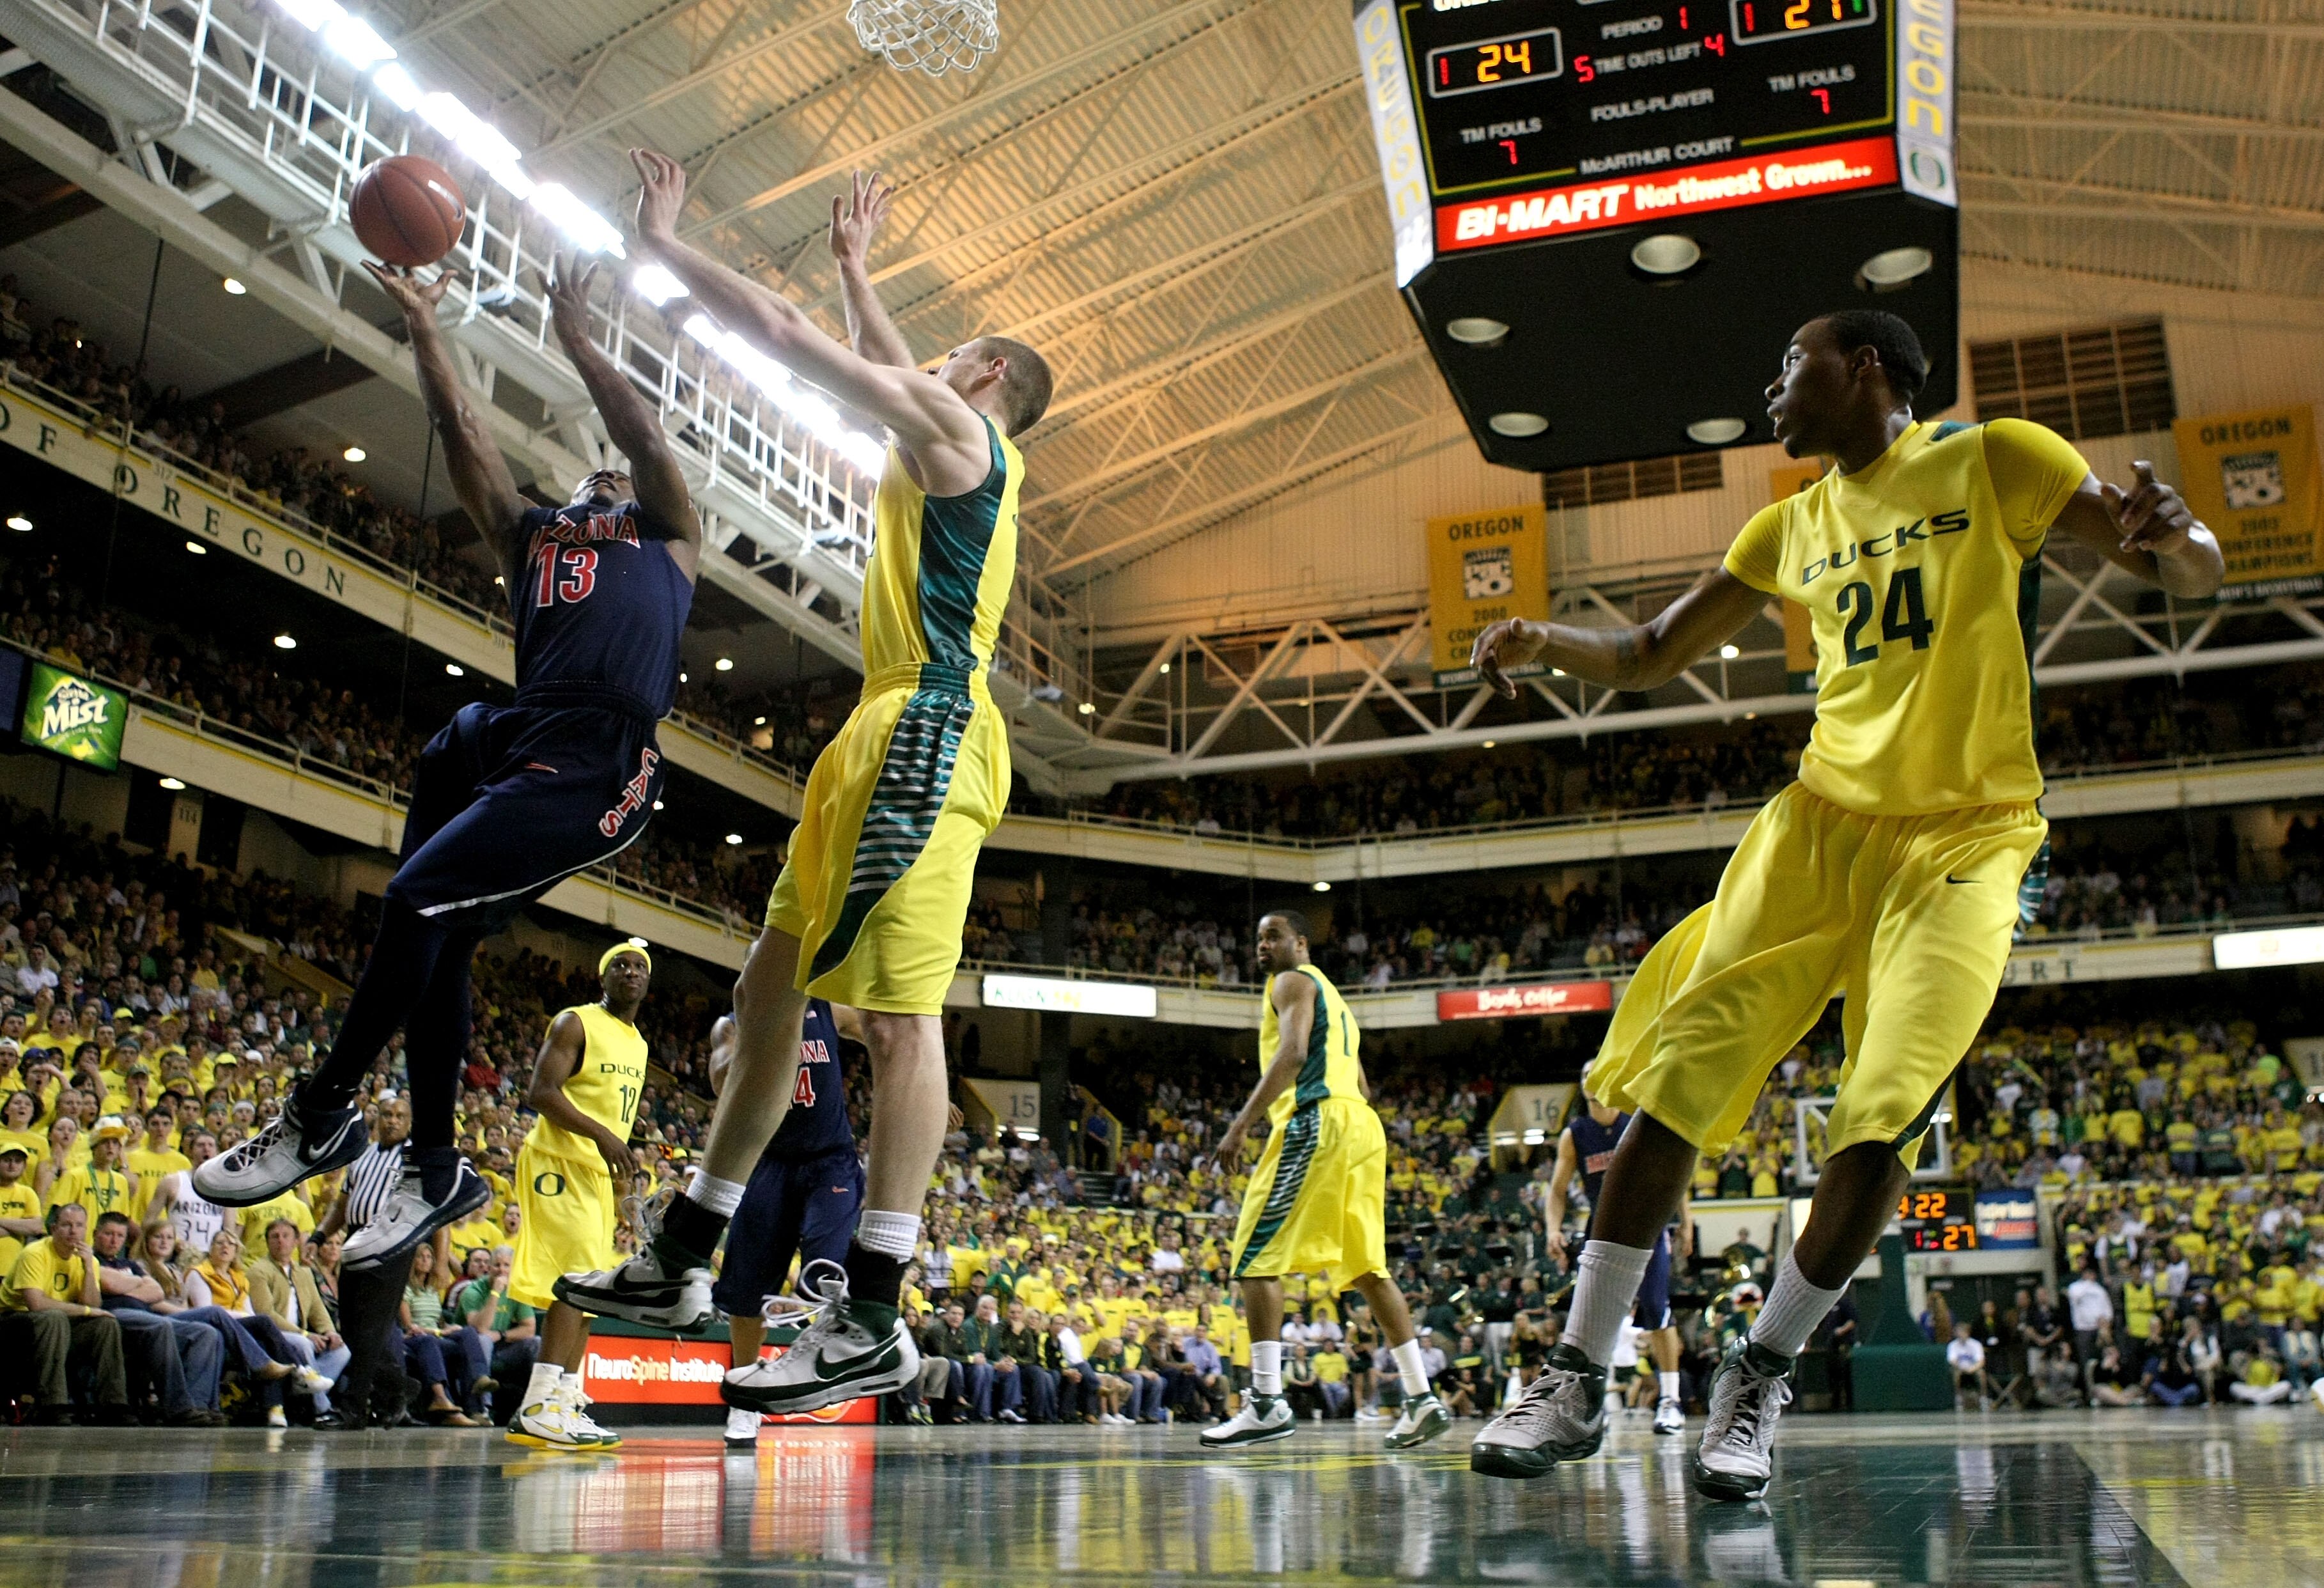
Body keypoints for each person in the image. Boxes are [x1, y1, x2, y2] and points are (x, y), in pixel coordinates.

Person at [1463, 309, 2221, 1502]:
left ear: (1864, 367)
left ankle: (1756, 1374)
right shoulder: (1788, 521)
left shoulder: (1995, 456)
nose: (1772, 385)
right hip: (1819, 826)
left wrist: (2181, 534)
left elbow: (2185, 567)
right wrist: (1543, 640)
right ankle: (1574, 1375)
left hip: (1966, 836)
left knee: (1883, 1114)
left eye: (1789, 364)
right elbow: (1655, 648)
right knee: (1678, 1080)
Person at [558, 155, 1050, 1426]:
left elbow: (782, 340)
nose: (922, 357)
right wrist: (857, 274)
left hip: (932, 721)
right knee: (768, 987)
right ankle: (681, 1252)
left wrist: (663, 245)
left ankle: (876, 1310)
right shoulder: (950, 431)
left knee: (895, 1020)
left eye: (950, 349)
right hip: (882, 724)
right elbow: (875, 356)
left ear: (985, 375)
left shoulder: (959, 432)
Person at [192, 250, 699, 1273]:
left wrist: (580, 343)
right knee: (444, 923)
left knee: (417, 899)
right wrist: (427, 324)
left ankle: (323, 1112)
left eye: (616, 472)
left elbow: (642, 436)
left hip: (604, 757)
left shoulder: (670, 534)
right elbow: (463, 433)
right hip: (515, 732)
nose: (606, 474)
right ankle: (435, 1164)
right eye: (591, 473)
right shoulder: (534, 537)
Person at [1200, 910, 1449, 1452]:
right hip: (1361, 1125)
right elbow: (1360, 1077)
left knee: (1252, 1255)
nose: (1263, 946)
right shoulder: (1338, 1000)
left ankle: (1266, 1402)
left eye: (1274, 936)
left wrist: (1240, 1126)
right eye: (1258, 938)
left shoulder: (1289, 982)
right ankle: (1421, 1397)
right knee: (1367, 1268)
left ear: (1300, 943)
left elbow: (1291, 1055)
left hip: (1317, 1118)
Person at [500, 943, 653, 1451]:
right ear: (603, 976)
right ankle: (539, 1404)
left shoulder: (639, 1043)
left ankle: (562, 1400)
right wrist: (605, 1138)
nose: (630, 972)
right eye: (621, 965)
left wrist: (622, 1193)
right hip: (556, 1163)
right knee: (576, 1282)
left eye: (639, 968)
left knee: (591, 1290)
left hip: (594, 1173)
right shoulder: (575, 1022)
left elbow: (619, 1123)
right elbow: (541, 1092)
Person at [707, 999, 866, 1449]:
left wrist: (928, 1088)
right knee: (745, 1293)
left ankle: (821, 1368)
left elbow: (886, 1034)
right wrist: (758, 1036)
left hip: (829, 1159)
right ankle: (744, 1396)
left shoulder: (828, 1008)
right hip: (768, 1159)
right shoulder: (735, 1020)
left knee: (825, 1273)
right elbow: (721, 1080)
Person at [1540, 1078, 1689, 1437]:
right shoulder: (1575, 1135)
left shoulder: (1638, 1119)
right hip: (1603, 1227)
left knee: (1656, 1309)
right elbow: (1558, 1190)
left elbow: (1674, 1170)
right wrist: (1552, 1229)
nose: (1594, 1080)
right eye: (1587, 1075)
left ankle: (1670, 1401)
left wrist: (1687, 1221)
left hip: (1650, 1223)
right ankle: (1592, 1406)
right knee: (1594, 1316)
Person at [89, 1209, 226, 1426]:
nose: (114, 1240)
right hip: (114, 1316)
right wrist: (134, 1283)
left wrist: (121, 1285)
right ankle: (178, 1409)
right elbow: (108, 1284)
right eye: (108, 1234)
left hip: (146, 1317)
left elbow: (157, 1292)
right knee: (161, 1325)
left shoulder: (129, 1264)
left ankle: (197, 1405)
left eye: (120, 1236)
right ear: (96, 1234)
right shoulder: (91, 1260)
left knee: (205, 1332)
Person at [1, 1200, 129, 1423]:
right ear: (54, 1229)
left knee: (106, 1325)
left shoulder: (87, 1259)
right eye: (67, 1225)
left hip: (57, 1326)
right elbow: (36, 1304)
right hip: (14, 1324)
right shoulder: (35, 1253)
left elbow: (94, 1304)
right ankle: (54, 1404)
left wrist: (89, 1267)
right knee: (55, 1317)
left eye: (79, 1225)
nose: (73, 1231)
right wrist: (87, 1311)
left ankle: (113, 1405)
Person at [1946, 1321, 1990, 1410]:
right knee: (1956, 1375)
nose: (1960, 1334)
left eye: (1963, 1332)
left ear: (1968, 1333)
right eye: (1959, 1332)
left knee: (1981, 1374)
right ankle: (1959, 1399)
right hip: (1960, 1368)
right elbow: (1952, 1361)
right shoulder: (1953, 1345)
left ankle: (1983, 1398)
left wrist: (1972, 1369)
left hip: (1973, 1368)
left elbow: (1981, 1361)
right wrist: (1962, 1368)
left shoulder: (1976, 1344)